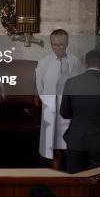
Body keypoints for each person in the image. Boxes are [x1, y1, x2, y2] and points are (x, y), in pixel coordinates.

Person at [60, 50, 100, 174]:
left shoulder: (71, 82)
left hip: (76, 141)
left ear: (85, 63)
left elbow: (64, 113)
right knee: (99, 185)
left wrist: (79, 115)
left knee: (76, 183)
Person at [35, 29, 83, 169]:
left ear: (67, 43)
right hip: (52, 109)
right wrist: (48, 104)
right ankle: (54, 174)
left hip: (69, 109)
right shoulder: (44, 63)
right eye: (54, 44)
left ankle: (70, 174)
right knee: (54, 146)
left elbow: (80, 83)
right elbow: (40, 87)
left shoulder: (75, 62)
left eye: (61, 44)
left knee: (70, 144)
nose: (57, 48)